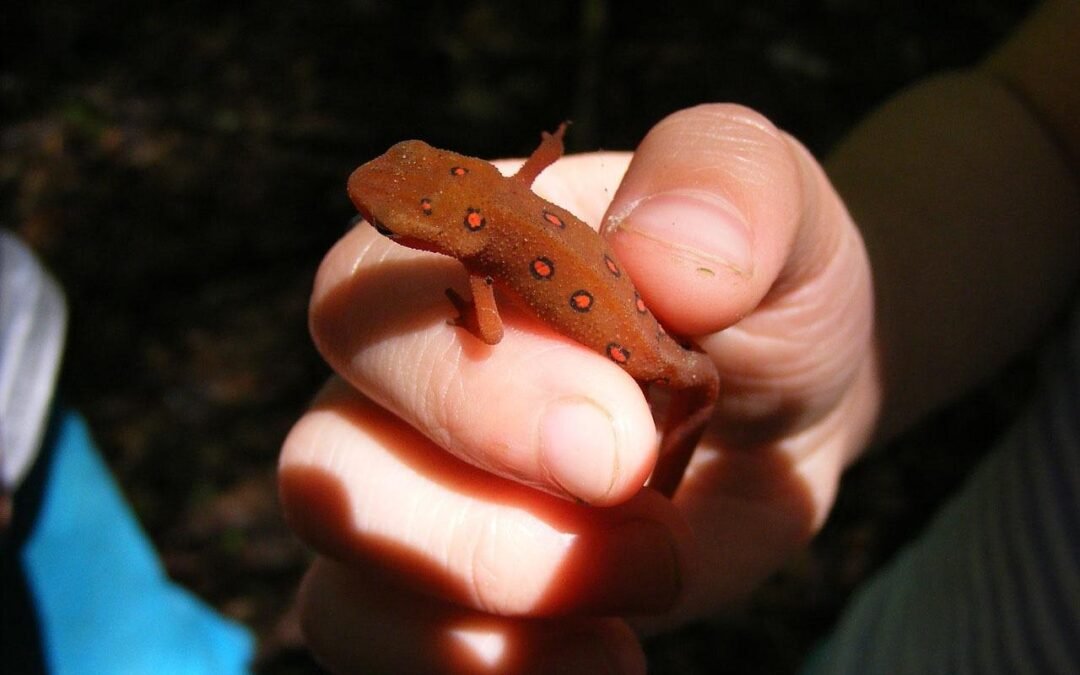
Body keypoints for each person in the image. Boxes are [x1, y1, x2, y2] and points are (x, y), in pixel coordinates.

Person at [279, 0, 1079, 671]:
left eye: (389, 223)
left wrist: (464, 312)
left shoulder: (487, 256)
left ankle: (651, 497)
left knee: (666, 389)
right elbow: (1047, 126)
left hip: (655, 360)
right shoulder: (497, 212)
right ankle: (650, 504)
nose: (384, 218)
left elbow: (488, 333)